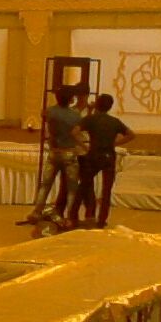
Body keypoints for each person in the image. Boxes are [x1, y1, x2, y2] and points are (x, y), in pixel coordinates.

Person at [21, 85, 87, 225]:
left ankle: (37, 212)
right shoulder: (75, 115)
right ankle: (70, 217)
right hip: (69, 152)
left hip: (53, 151)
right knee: (71, 188)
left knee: (45, 185)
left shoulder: (49, 112)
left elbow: (44, 115)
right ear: (71, 99)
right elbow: (78, 130)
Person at [68, 93, 134, 229]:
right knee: (106, 190)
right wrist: (115, 143)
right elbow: (131, 135)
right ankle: (102, 220)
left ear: (97, 104)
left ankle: (73, 216)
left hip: (94, 155)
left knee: (83, 185)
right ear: (110, 106)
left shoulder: (90, 119)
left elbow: (74, 132)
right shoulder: (114, 121)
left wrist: (84, 145)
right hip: (109, 156)